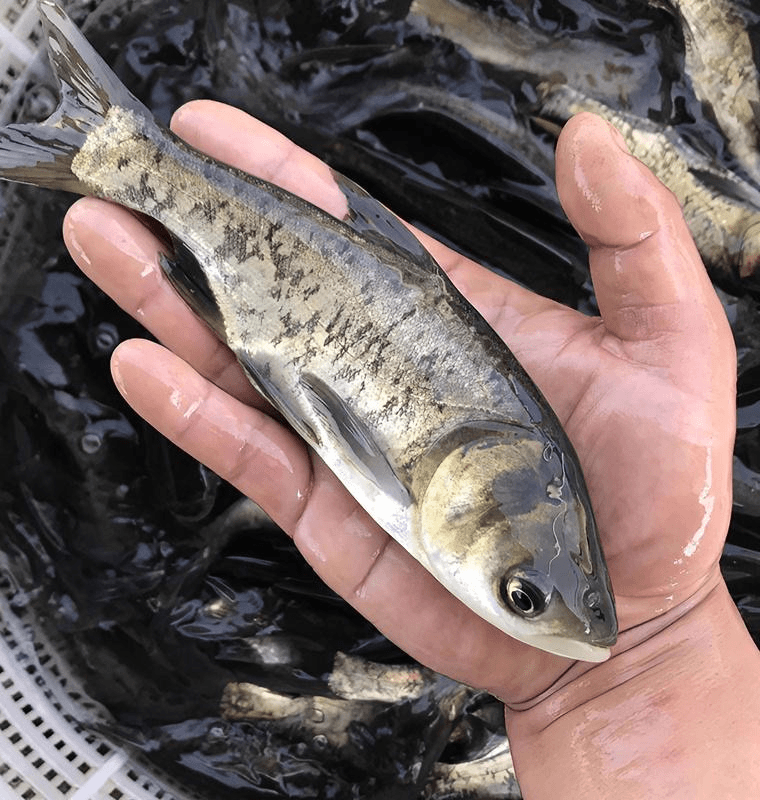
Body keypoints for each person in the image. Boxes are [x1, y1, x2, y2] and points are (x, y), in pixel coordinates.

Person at [62, 101, 760, 797]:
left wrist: (641, 668)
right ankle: (119, 150)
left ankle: (120, 152)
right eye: (520, 594)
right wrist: (653, 665)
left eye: (522, 594)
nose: (529, 606)